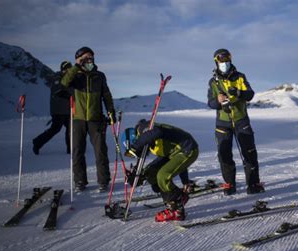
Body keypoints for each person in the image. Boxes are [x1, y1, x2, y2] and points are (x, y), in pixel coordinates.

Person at [207, 48, 264, 196]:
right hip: (223, 123)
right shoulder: (213, 82)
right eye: (221, 60)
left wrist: (238, 93)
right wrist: (218, 101)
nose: (224, 62)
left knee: (249, 152)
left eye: (227, 59)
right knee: (224, 154)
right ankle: (229, 184)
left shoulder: (240, 77)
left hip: (241, 120)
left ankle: (253, 184)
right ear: (216, 62)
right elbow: (210, 103)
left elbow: (250, 94)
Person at [61, 47, 116, 192]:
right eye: (86, 58)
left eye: (91, 57)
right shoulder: (74, 75)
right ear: (78, 59)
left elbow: (107, 95)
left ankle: (103, 181)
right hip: (77, 119)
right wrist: (76, 66)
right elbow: (64, 83)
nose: (89, 60)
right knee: (77, 151)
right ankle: (80, 181)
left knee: (100, 151)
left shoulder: (99, 76)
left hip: (96, 119)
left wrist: (111, 111)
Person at [123, 119, 199, 222]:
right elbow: (142, 159)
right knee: (151, 172)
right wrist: (138, 176)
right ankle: (170, 201)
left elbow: (157, 132)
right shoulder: (146, 141)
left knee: (163, 175)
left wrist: (135, 147)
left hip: (187, 149)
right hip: (174, 153)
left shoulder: (144, 128)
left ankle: (177, 208)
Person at [33, 61, 72, 155]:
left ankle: (70, 149)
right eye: (66, 69)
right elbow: (57, 90)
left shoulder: (70, 80)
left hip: (68, 110)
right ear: (62, 69)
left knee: (71, 129)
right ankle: (37, 142)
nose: (68, 71)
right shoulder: (57, 78)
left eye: (70, 69)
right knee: (55, 129)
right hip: (58, 110)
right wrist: (68, 95)